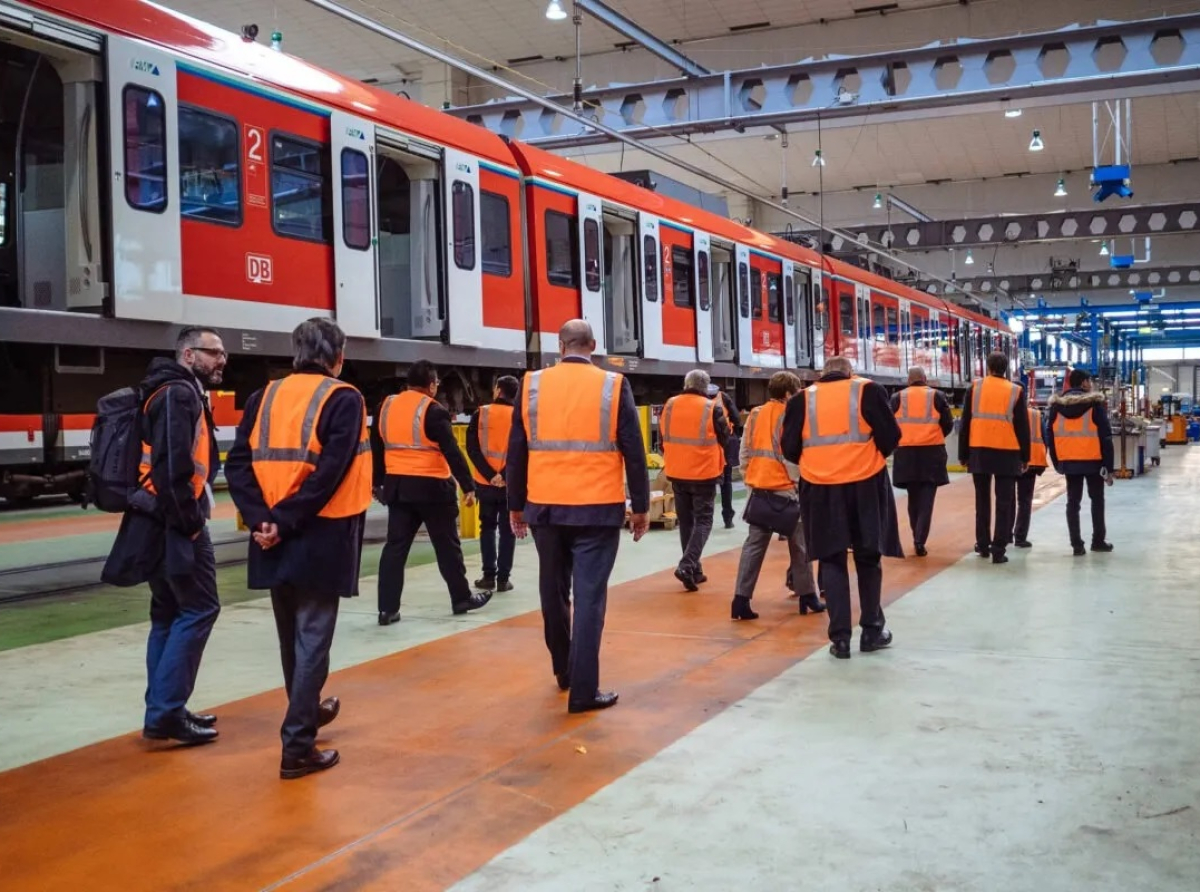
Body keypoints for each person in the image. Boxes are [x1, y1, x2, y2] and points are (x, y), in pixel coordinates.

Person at [225, 318, 370, 779]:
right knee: (313, 641)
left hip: (270, 534)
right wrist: (285, 522)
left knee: (291, 636)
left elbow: (238, 464)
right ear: (338, 357)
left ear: (296, 354)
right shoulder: (343, 397)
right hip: (319, 533)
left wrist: (262, 518)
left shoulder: (261, 397)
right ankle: (297, 747)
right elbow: (329, 472)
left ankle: (305, 713)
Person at [508, 319, 650, 714]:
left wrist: (515, 505)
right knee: (589, 598)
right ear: (592, 344)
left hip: (545, 508)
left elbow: (517, 449)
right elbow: (634, 452)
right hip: (597, 510)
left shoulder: (531, 384)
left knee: (552, 591)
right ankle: (584, 691)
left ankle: (563, 670)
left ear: (560, 344)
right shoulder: (613, 385)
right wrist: (639, 507)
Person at [103, 327, 225, 746]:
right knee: (200, 609)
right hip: (173, 520)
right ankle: (167, 712)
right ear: (189, 355)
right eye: (214, 352)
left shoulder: (168, 390)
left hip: (154, 517)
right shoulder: (178, 394)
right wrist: (189, 522)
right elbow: (173, 466)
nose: (222, 360)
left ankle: (163, 709)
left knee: (168, 613)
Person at [782, 356, 902, 659]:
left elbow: (789, 448)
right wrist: (867, 458)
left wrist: (819, 463)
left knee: (831, 559)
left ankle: (840, 640)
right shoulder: (868, 390)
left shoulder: (800, 400)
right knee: (868, 557)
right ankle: (872, 631)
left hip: (820, 488)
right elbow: (892, 437)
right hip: (865, 484)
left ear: (822, 374)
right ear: (850, 372)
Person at [373, 359, 492, 622]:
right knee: (447, 547)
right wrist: (468, 486)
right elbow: (451, 450)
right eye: (436, 383)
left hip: (398, 488)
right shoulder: (433, 410)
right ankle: (461, 599)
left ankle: (387, 609)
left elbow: (378, 446)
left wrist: (377, 482)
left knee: (395, 549)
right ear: (431, 385)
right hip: (432, 490)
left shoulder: (385, 406)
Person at [731, 372, 824, 621]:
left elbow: (745, 450)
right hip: (786, 490)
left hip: (759, 489)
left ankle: (740, 600)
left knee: (753, 546)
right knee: (800, 545)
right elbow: (788, 455)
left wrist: (750, 477)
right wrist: (798, 484)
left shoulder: (756, 413)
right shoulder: (789, 415)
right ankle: (807, 596)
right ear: (787, 394)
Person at [959, 351, 1030, 564]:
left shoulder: (974, 388)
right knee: (1004, 502)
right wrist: (1025, 456)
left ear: (987, 367)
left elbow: (965, 424)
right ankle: (998, 549)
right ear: (1005, 369)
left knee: (982, 501)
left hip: (979, 450)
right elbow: (1022, 427)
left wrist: (963, 454)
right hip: (1007, 453)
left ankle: (982, 545)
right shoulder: (1016, 390)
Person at [661, 369, 729, 591]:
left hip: (677, 470)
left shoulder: (669, 405)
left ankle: (695, 572)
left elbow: (664, 434)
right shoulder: (712, 408)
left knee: (686, 522)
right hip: (703, 473)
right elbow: (726, 437)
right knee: (704, 521)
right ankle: (687, 564)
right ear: (705, 387)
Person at [1045, 368, 1114, 556]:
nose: (1090, 385)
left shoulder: (1056, 407)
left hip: (1069, 462)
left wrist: (1057, 462)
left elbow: (1050, 436)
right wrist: (1109, 466)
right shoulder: (1095, 405)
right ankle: (1098, 541)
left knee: (1072, 503)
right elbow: (1105, 437)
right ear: (1083, 383)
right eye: (1089, 381)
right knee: (1097, 501)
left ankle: (1077, 545)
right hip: (1094, 462)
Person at [890, 366, 954, 557]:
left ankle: (915, 533)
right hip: (931, 453)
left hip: (906, 453)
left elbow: (889, 424)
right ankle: (920, 539)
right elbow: (948, 424)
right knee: (927, 497)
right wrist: (934, 435)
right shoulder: (937, 396)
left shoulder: (896, 398)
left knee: (913, 497)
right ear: (925, 379)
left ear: (908, 380)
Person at [466, 375, 520, 593]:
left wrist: (490, 475)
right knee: (509, 530)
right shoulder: (519, 417)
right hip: (510, 484)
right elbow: (521, 451)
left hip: (485, 484)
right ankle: (503, 579)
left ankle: (488, 576)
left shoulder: (481, 413)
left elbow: (472, 449)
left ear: (498, 390)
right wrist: (504, 475)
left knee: (487, 527)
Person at [1012, 402, 1049, 549]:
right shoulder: (1035, 414)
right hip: (1032, 461)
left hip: (1009, 460)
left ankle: (1005, 534)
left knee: (1007, 499)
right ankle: (1020, 537)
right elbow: (1044, 439)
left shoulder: (1006, 413)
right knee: (1025, 501)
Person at [707, 382, 742, 529]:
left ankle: (705, 518)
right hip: (724, 446)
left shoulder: (699, 402)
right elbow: (736, 419)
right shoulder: (723, 397)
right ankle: (728, 518)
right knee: (725, 483)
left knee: (707, 484)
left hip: (706, 449)